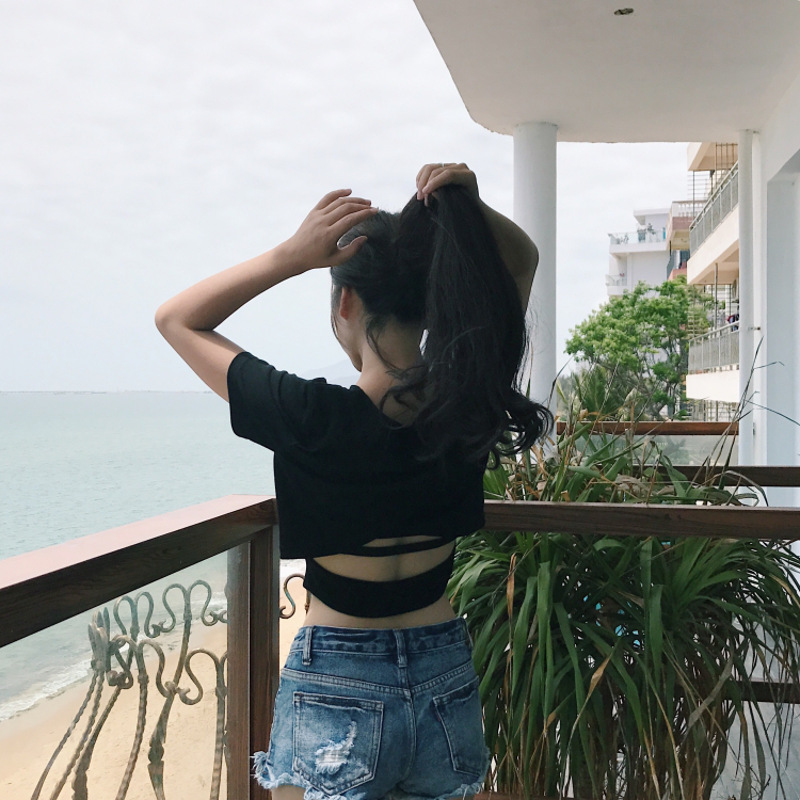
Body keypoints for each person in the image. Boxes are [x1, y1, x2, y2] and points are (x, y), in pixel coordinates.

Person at [156, 162, 551, 800]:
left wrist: (291, 256)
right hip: (443, 674)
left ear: (346, 303)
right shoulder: (467, 404)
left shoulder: (309, 416)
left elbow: (177, 319)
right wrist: (466, 205)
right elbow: (523, 261)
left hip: (338, 676)